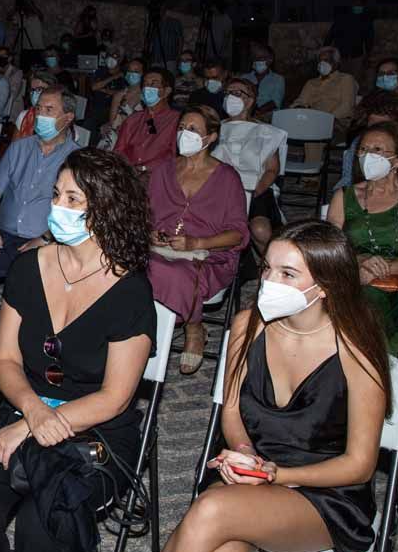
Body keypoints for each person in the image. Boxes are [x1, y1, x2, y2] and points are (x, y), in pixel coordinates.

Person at [0, 148, 155, 552]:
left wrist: (34, 422)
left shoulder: (130, 292)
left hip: (95, 426)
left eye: (74, 200)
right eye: (57, 195)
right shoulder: (28, 267)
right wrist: (31, 410)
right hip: (28, 404)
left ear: (107, 209)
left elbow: (116, 397)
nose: (58, 208)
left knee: (41, 527)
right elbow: (5, 358)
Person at [152, 220, 390, 552]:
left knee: (211, 510)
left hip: (323, 494)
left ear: (324, 286)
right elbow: (230, 410)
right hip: (251, 476)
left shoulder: (355, 351)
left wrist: (279, 475)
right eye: (267, 268)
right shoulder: (248, 325)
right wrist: (246, 451)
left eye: (287, 274)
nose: (268, 282)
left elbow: (359, 465)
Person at [0, 87, 80, 356]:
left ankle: (16, 333)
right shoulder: (20, 148)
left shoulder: (77, 159)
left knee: (28, 276)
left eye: (49, 110)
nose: (40, 115)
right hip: (5, 236)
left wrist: (46, 238)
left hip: (48, 241)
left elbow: (79, 211)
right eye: (39, 109)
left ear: (68, 117)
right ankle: (2, 328)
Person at [148, 105, 248, 373]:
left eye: (193, 130)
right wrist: (150, 232)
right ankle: (141, 328)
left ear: (211, 137)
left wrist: (197, 243)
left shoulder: (227, 178)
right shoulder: (163, 171)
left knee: (172, 272)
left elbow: (238, 233)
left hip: (208, 256)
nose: (184, 134)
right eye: (181, 128)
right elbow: (143, 214)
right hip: (159, 249)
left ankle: (194, 327)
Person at [327, 121, 398, 352]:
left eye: (378, 151)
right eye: (364, 150)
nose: (368, 156)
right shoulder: (343, 196)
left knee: (369, 300)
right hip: (350, 274)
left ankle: (366, 373)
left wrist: (377, 270)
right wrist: (360, 264)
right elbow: (331, 247)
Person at [212, 78, 287, 260]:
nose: (230, 97)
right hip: (219, 189)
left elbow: (271, 170)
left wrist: (253, 194)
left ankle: (273, 266)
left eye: (237, 93)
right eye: (228, 93)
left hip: (255, 187)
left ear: (250, 100)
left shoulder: (266, 132)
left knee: (260, 229)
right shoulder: (214, 128)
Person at [335, 90, 398, 197]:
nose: (378, 132)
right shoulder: (360, 142)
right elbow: (347, 180)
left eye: (384, 127)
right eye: (373, 126)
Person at [290, 46, 358, 165]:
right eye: (321, 61)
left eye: (327, 60)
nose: (323, 64)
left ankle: (310, 179)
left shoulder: (346, 79)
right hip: (311, 121)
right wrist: (298, 108)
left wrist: (324, 120)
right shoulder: (311, 83)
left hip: (338, 123)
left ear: (336, 63)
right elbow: (300, 101)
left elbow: (346, 107)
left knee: (314, 131)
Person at [113, 68, 181, 175]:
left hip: (159, 175)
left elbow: (173, 156)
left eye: (153, 84)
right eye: (145, 84)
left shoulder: (177, 120)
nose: (147, 88)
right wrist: (127, 169)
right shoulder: (133, 119)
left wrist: (144, 168)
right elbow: (119, 151)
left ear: (166, 91)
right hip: (129, 175)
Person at [325, 0, 375, 82]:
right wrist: (325, 48)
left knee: (355, 80)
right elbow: (331, 33)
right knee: (340, 79)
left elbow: (369, 39)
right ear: (352, 4)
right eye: (356, 4)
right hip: (341, 55)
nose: (357, 7)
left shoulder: (366, 20)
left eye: (360, 5)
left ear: (363, 6)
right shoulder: (342, 17)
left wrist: (368, 55)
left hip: (357, 55)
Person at [98, 60, 145, 150]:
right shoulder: (119, 95)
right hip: (118, 135)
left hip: (138, 137)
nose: (132, 74)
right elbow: (112, 123)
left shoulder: (147, 96)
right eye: (130, 71)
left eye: (136, 71)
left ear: (143, 74)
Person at [242, 45, 285, 118]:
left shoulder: (278, 79)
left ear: (270, 60)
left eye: (261, 58)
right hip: (246, 114)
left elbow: (275, 102)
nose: (257, 60)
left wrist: (258, 111)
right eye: (255, 58)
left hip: (267, 117)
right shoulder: (244, 78)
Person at [13, 71, 57, 140]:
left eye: (39, 89)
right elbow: (14, 148)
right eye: (32, 90)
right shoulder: (24, 116)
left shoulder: (61, 119)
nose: (34, 94)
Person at [147, 0, 185, 71]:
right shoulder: (154, 24)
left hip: (170, 59)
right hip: (155, 59)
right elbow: (151, 41)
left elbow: (180, 40)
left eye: (161, 9)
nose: (159, 11)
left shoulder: (174, 22)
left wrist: (178, 57)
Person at [0, 47, 24, 122]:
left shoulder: (17, 72)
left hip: (12, 109)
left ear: (10, 58)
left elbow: (13, 94)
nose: (0, 58)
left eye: (3, 56)